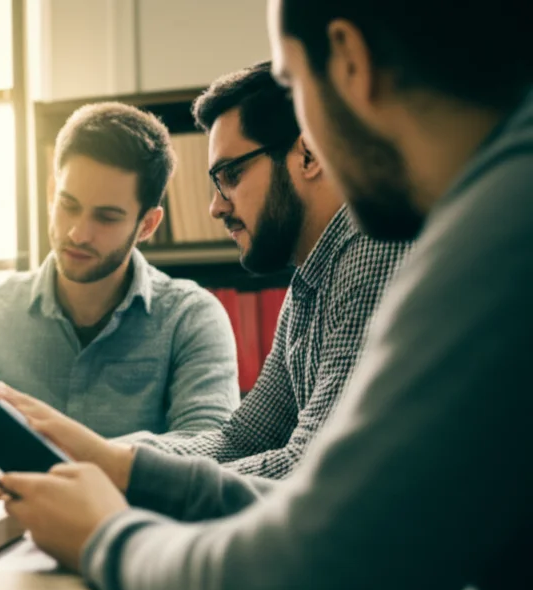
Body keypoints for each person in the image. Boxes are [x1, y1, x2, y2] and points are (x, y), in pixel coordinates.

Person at [0, 0, 533, 590]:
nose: (216, 205)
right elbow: (256, 444)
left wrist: (106, 531)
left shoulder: (470, 236)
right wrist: (121, 463)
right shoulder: (473, 209)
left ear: (350, 61)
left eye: (297, 86)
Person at [0, 102, 240, 499]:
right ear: (50, 192)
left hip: (135, 534)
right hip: (3, 528)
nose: (77, 233)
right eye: (68, 205)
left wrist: (89, 457)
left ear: (147, 225)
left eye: (106, 218)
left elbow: (210, 445)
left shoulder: (191, 317)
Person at [124, 61, 410, 478]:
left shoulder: (373, 251)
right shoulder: (308, 283)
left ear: (308, 154)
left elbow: (311, 468)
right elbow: (242, 437)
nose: (216, 206)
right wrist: (113, 457)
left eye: (231, 175)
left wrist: (134, 478)